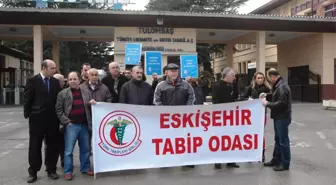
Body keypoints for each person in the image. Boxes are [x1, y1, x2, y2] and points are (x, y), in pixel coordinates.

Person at [23, 59, 62, 183]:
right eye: (52, 68)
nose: (54, 70)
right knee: (35, 146)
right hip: (37, 120)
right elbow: (27, 99)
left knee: (52, 146)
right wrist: (28, 114)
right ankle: (33, 172)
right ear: (44, 68)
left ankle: (51, 170)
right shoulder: (32, 81)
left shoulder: (56, 82)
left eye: (54, 68)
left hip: (52, 120)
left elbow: (57, 100)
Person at [153, 63, 195, 168]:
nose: (174, 72)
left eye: (176, 70)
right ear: (167, 72)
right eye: (171, 70)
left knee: (183, 139)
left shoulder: (186, 85)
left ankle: (186, 161)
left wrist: (186, 108)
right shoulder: (161, 86)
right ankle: (165, 160)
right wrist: (163, 111)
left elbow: (192, 97)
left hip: (182, 118)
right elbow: (156, 100)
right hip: (167, 118)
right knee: (166, 140)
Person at [55, 71, 94, 180]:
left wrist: (93, 104)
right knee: (68, 151)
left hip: (84, 125)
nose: (72, 81)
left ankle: (85, 168)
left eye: (74, 79)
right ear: (68, 80)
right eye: (70, 79)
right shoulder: (62, 94)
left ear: (79, 80)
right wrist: (67, 122)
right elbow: (59, 110)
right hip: (71, 126)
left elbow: (90, 110)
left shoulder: (86, 93)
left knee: (85, 149)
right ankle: (68, 171)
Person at [262, 68, 292, 171]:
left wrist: (268, 104)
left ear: (273, 77)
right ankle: (276, 159)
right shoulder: (279, 85)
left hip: (282, 117)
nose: (270, 81)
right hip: (279, 117)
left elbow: (282, 103)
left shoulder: (282, 87)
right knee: (278, 140)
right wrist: (267, 96)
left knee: (283, 140)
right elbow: (276, 96)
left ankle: (285, 163)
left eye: (270, 79)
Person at [212, 67, 240, 169]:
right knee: (220, 139)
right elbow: (216, 102)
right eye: (233, 75)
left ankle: (230, 160)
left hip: (230, 116)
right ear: (226, 76)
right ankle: (218, 160)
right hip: (221, 117)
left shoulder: (231, 86)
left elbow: (235, 97)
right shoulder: (218, 86)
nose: (234, 77)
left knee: (230, 138)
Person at [80, 68, 112, 154]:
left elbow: (109, 100)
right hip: (86, 118)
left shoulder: (104, 88)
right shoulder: (81, 87)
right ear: (88, 76)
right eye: (92, 75)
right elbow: (79, 101)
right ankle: (87, 163)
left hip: (100, 118)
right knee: (86, 142)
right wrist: (88, 103)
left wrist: (100, 104)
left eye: (96, 75)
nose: (94, 77)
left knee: (101, 140)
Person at [242, 72, 271, 162]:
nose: (260, 80)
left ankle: (261, 154)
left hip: (262, 113)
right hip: (251, 114)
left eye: (262, 78)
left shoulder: (267, 89)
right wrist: (249, 100)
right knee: (250, 133)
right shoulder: (250, 88)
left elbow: (271, 100)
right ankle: (250, 153)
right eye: (258, 78)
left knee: (260, 133)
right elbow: (243, 98)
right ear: (255, 79)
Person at [44, 73, 66, 169]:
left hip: (61, 122)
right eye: (59, 81)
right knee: (48, 144)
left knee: (63, 144)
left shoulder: (65, 92)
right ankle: (48, 163)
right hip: (49, 122)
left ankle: (63, 161)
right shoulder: (48, 92)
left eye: (61, 81)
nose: (61, 83)